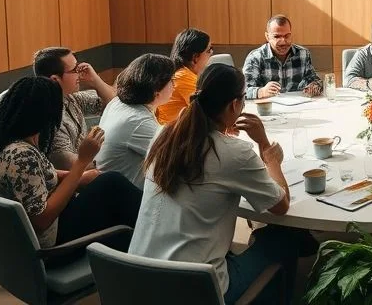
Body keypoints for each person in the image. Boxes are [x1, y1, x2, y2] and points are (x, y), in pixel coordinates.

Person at [129, 64, 312, 305]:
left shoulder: (163, 135)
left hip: (135, 279)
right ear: (235, 105)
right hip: (196, 290)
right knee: (282, 237)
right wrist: (268, 153)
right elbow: (280, 204)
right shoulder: (234, 153)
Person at [0, 77, 140, 250]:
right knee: (114, 187)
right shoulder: (21, 157)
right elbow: (42, 219)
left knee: (109, 186)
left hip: (28, 235)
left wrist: (75, 177)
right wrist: (82, 162)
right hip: (50, 247)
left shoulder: (3, 141)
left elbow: (39, 177)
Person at [94, 54, 175, 187]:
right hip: (127, 200)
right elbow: (179, 157)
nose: (174, 85)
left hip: (111, 189)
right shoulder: (139, 122)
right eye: (171, 80)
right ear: (156, 91)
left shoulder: (118, 102)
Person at [33, 47, 115, 169]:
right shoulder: (49, 117)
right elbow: (69, 165)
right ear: (55, 79)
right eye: (74, 70)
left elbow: (113, 102)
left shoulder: (69, 97)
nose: (79, 74)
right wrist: (112, 160)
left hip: (86, 168)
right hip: (73, 180)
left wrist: (95, 81)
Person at [242, 15, 322, 99]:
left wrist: (315, 86)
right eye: (277, 36)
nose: (283, 41)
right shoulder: (255, 57)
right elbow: (243, 91)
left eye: (287, 36)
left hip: (297, 106)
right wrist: (261, 91)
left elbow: (315, 80)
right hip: (268, 108)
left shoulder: (303, 54)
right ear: (267, 37)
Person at [156, 29, 213, 124]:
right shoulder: (183, 76)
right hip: (174, 134)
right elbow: (210, 111)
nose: (211, 53)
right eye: (209, 50)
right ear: (195, 57)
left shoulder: (182, 73)